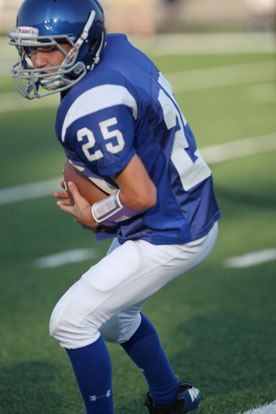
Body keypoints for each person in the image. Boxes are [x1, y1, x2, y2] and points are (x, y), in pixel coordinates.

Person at [8, 0, 221, 413]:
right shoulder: (118, 49)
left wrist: (93, 214)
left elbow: (140, 196)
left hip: (171, 228)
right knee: (115, 320)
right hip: (186, 205)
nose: (36, 61)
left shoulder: (92, 105)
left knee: (69, 322)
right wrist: (83, 166)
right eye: (30, 49)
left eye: (50, 48)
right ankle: (168, 398)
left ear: (83, 44)